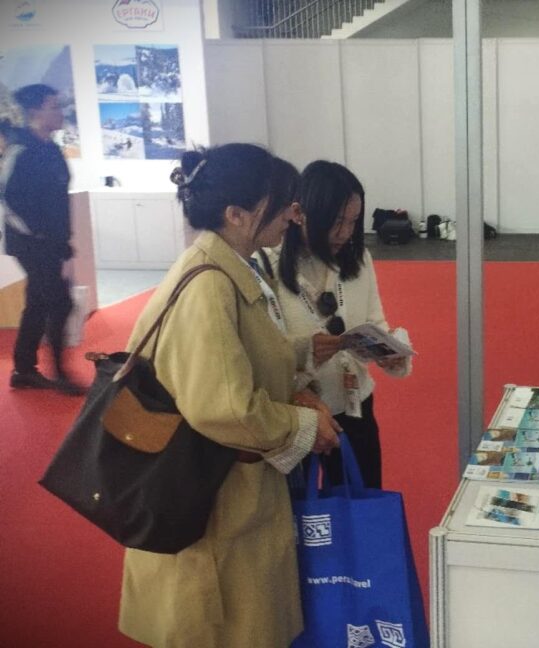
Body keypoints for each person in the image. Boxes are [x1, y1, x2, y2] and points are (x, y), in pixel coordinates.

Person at [118, 144, 341, 647]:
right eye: (281, 204)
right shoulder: (210, 284)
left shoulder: (227, 265)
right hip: (212, 497)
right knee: (226, 627)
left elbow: (234, 357)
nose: (292, 215)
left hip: (225, 488)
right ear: (236, 214)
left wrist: (301, 352)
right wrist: (304, 426)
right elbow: (225, 408)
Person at [263, 160, 411, 489]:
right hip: (298, 411)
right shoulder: (269, 267)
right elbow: (263, 355)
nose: (345, 233)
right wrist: (306, 353)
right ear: (301, 214)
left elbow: (374, 321)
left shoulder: (358, 259)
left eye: (353, 221)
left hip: (355, 405)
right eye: (335, 221)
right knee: (299, 510)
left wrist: (391, 352)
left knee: (362, 504)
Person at [1, 84, 84, 394]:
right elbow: (9, 200)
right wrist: (40, 234)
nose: (60, 112)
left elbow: (56, 197)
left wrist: (62, 238)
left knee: (38, 301)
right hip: (32, 243)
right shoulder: (21, 150)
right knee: (60, 301)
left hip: (50, 241)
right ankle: (59, 373)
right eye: (54, 106)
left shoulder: (50, 148)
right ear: (35, 111)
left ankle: (24, 369)